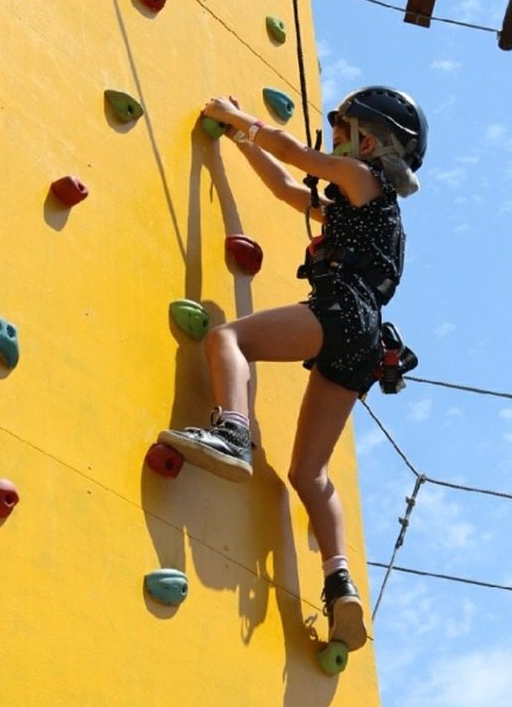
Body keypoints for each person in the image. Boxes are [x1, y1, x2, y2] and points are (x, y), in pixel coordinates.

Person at [158, 87, 428, 650]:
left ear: (369, 144)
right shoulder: (361, 208)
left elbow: (295, 155)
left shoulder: (361, 178)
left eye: (343, 134)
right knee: (310, 474)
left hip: (341, 310)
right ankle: (339, 581)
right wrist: (239, 142)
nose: (335, 144)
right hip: (364, 342)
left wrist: (238, 118)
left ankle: (233, 433)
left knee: (228, 338)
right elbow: (286, 188)